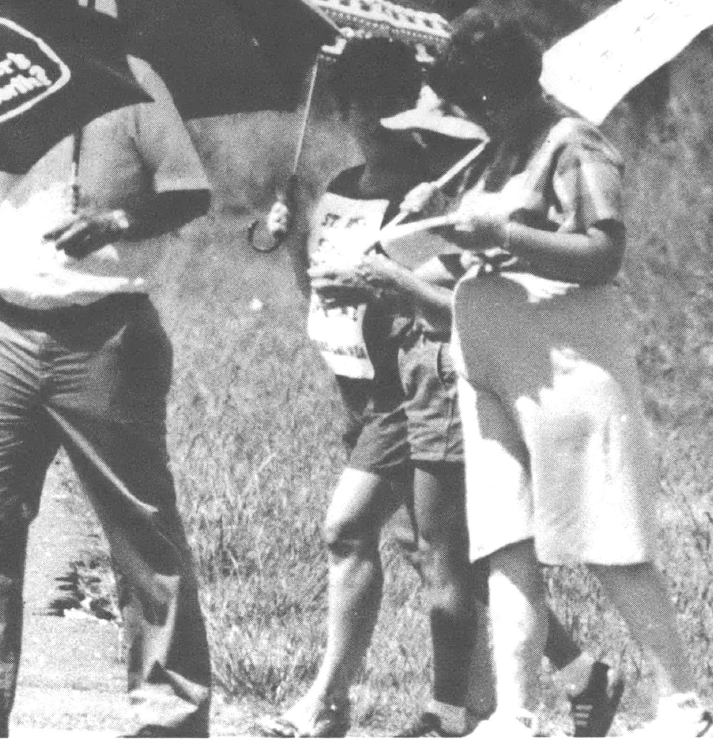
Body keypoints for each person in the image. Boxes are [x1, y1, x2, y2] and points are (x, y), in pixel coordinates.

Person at [258, 38, 624, 739]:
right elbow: (320, 293)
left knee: (354, 530)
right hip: (358, 388)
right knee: (445, 551)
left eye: (389, 107)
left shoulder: (436, 188)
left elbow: (441, 291)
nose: (373, 122)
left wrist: (389, 269)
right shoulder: (340, 186)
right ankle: (573, 674)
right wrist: (291, 243)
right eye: (359, 107)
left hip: (414, 384)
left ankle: (341, 703)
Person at [0, 0, 214, 739]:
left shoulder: (129, 79)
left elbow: (188, 191)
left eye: (39, 5)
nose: (22, 24)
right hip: (4, 332)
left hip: (104, 333)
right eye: (8, 9)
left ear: (69, 2)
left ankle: (170, 712)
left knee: (138, 523)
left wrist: (117, 217)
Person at [421, 9, 712, 737]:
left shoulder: (573, 140)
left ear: (497, 91)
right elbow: (488, 246)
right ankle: (515, 712)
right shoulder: (496, 152)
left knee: (606, 533)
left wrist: (504, 235)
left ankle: (682, 701)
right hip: (491, 363)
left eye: (474, 101)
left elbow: (601, 253)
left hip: (566, 363)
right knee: (504, 539)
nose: (472, 116)